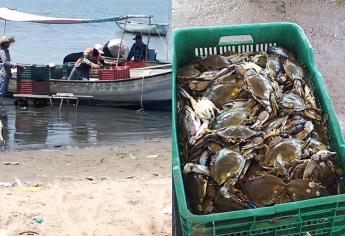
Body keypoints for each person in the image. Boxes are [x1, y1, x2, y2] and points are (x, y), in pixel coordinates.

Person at [0, 36, 22, 100]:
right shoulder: (2, 51)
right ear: (4, 43)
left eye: (9, 43)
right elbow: (5, 62)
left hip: (6, 72)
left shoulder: (6, 51)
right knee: (2, 91)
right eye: (7, 43)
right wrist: (16, 65)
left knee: (3, 90)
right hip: (3, 73)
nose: (9, 44)